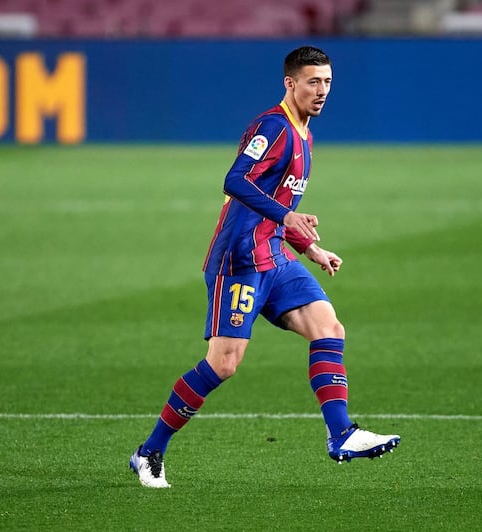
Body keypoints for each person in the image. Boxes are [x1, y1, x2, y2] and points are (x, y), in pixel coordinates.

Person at [129, 46, 400, 488]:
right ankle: (150, 452)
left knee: (329, 328)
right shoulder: (273, 127)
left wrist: (307, 246)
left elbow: (278, 204)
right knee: (223, 363)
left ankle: (342, 434)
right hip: (239, 260)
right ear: (290, 83)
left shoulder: (305, 134)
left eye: (328, 82)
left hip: (276, 255)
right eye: (313, 82)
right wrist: (287, 218)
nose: (322, 90)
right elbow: (235, 181)